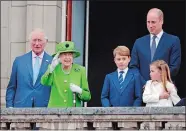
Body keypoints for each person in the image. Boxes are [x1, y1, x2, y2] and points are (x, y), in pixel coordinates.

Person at [130, 8, 181, 85]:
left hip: (164, 88)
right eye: (148, 22)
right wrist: (146, 84)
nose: (150, 25)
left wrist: (158, 80)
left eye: (153, 22)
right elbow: (133, 67)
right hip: (143, 89)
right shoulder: (139, 42)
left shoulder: (173, 40)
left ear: (161, 21)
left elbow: (174, 67)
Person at [6, 28, 52, 108]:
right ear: (30, 42)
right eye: (34, 40)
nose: (37, 43)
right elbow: (12, 87)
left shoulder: (52, 62)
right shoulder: (19, 61)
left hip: (44, 109)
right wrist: (10, 107)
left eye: (40, 40)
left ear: (46, 42)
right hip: (21, 107)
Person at [41, 41, 91, 107]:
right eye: (64, 54)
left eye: (70, 54)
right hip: (55, 113)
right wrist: (51, 68)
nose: (67, 57)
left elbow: (87, 97)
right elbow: (44, 82)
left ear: (73, 56)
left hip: (74, 113)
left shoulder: (80, 70)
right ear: (59, 57)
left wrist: (80, 91)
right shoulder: (54, 69)